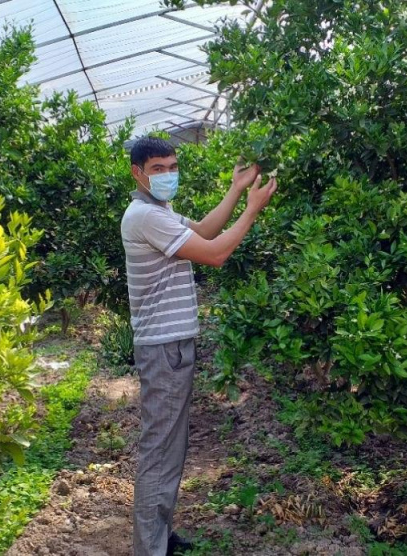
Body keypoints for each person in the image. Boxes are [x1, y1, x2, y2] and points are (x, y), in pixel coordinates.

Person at [121, 136, 277, 556]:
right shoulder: (144, 217)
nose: (168, 174)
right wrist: (251, 210)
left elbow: (204, 230)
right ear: (138, 173)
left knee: (170, 448)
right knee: (160, 451)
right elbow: (214, 253)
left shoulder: (158, 210)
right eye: (158, 169)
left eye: (172, 166)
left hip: (169, 347)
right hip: (164, 349)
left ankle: (158, 538)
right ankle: (150, 550)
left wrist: (235, 188)